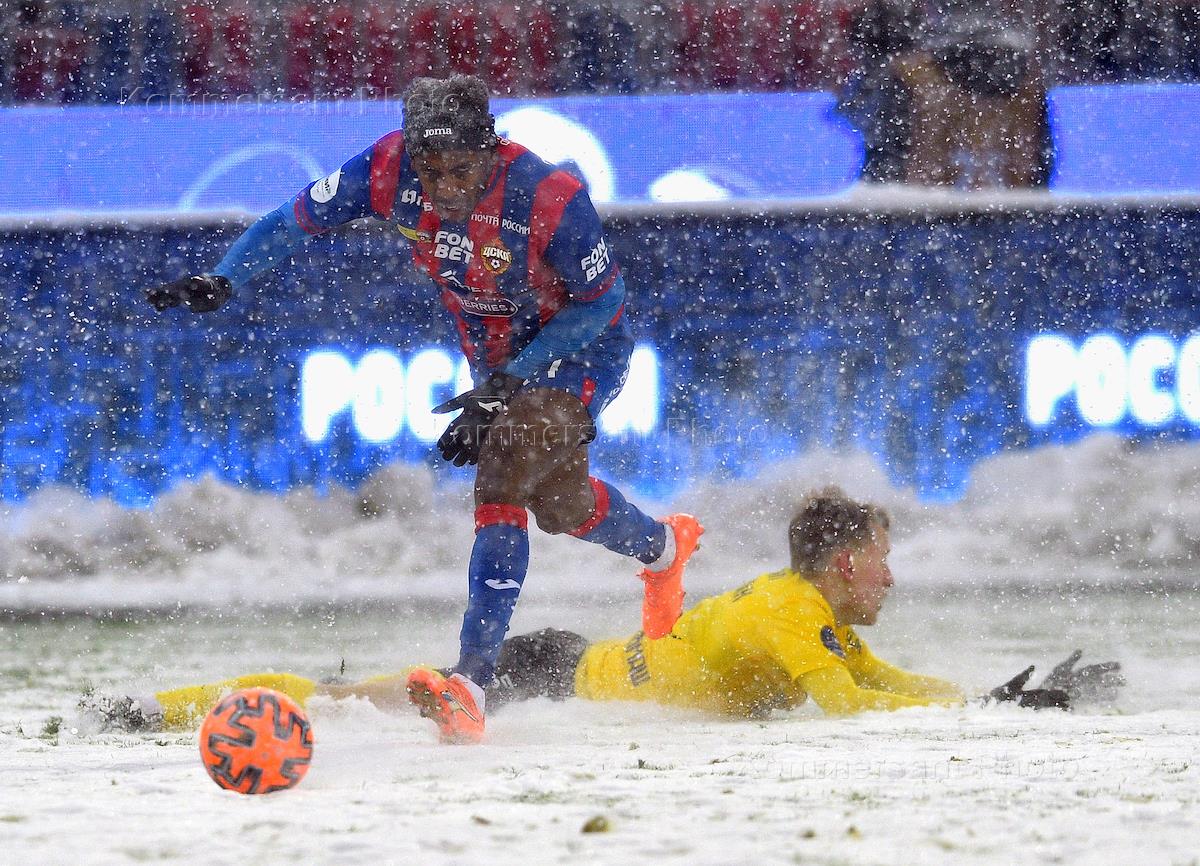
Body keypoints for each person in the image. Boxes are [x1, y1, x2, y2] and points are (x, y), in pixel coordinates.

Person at [145, 75, 704, 745]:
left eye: (459, 169)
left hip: (579, 352)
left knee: (503, 469)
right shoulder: (386, 169)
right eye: (430, 169)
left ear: (489, 148)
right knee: (561, 506)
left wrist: (511, 380)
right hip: (493, 360)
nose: (443, 185)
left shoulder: (549, 196)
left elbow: (602, 304)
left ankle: (471, 684)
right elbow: (294, 220)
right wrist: (226, 276)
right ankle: (663, 547)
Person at [88, 488, 1121, 734]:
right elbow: (851, 707)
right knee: (348, 703)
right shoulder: (787, 611)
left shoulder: (815, 614)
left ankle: (163, 706)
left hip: (573, 665)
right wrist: (987, 710)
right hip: (550, 677)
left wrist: (985, 699)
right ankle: (158, 709)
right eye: (884, 563)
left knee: (360, 700)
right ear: (846, 563)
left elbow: (879, 682)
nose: (892, 580)